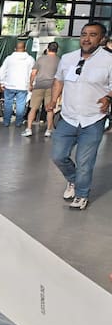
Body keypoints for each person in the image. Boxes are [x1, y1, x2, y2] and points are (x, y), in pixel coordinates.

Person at [47, 21, 112, 211]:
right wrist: (53, 100)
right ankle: (73, 180)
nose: (86, 38)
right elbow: (59, 80)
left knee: (85, 161)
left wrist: (108, 97)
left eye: (93, 35)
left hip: (93, 119)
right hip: (68, 116)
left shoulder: (109, 60)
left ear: (102, 39)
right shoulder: (67, 58)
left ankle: (81, 195)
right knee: (58, 156)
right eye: (84, 34)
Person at [23, 42, 59, 137]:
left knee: (33, 108)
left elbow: (33, 73)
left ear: (47, 49)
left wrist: (31, 84)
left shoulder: (41, 59)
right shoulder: (59, 60)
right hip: (51, 87)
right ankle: (48, 130)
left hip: (39, 86)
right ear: (57, 50)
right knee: (49, 109)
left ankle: (29, 129)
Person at [0, 41, 35, 128]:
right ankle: (18, 122)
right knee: (21, 104)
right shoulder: (30, 59)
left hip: (9, 85)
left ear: (15, 49)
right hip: (23, 86)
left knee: (8, 103)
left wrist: (0, 82)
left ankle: (6, 121)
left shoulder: (9, 59)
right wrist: (31, 84)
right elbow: (32, 73)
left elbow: (3, 70)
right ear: (25, 48)